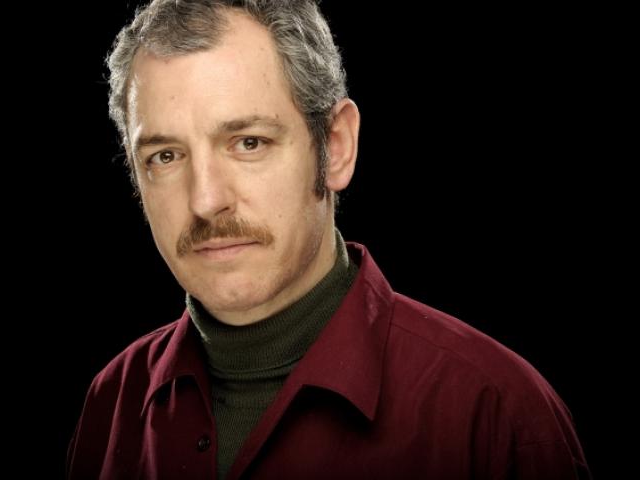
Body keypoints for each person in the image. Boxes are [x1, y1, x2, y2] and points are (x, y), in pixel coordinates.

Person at [67, 1, 591, 478]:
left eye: (248, 143)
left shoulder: (495, 413)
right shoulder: (111, 404)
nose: (206, 200)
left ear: (335, 147)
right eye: (165, 156)